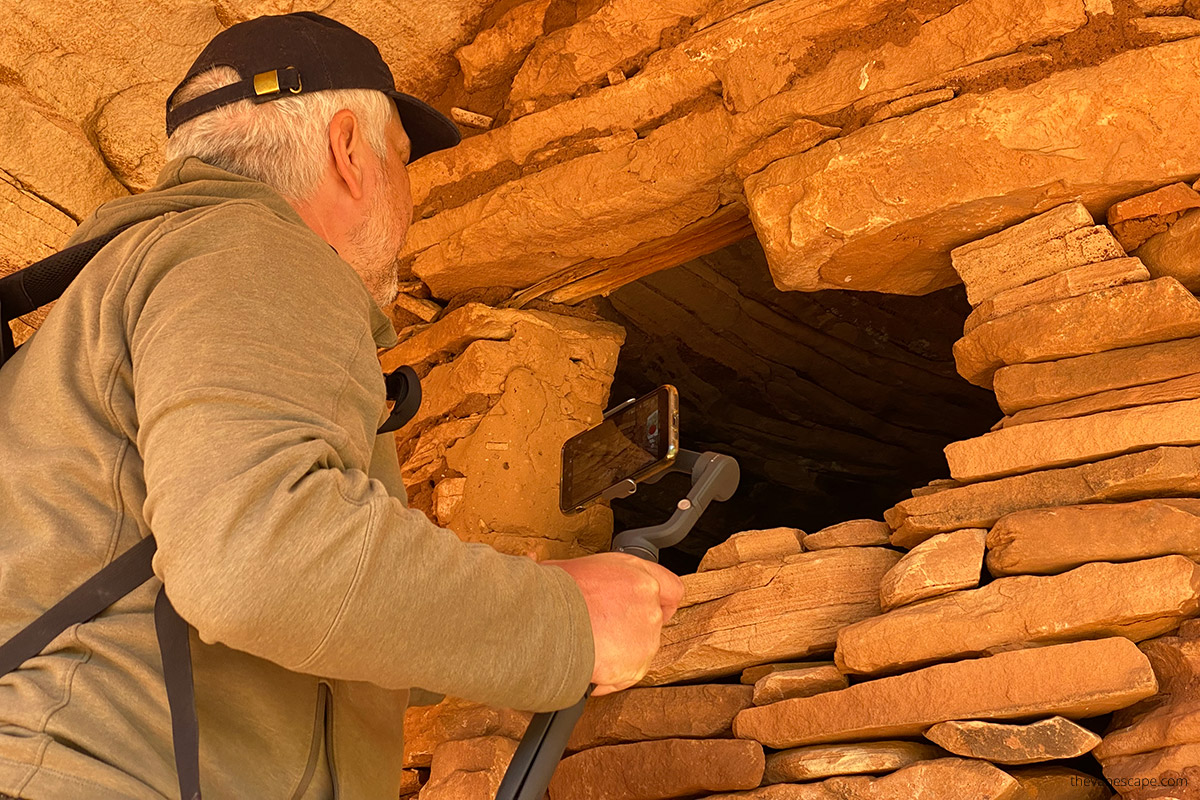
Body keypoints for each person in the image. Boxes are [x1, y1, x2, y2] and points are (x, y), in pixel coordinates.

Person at [0, 12, 683, 800]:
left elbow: (270, 608)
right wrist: (567, 624)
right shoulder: (250, 250)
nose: (406, 198)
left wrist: (526, 613)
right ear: (349, 150)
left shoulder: (133, 286)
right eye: (402, 159)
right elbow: (259, 565)